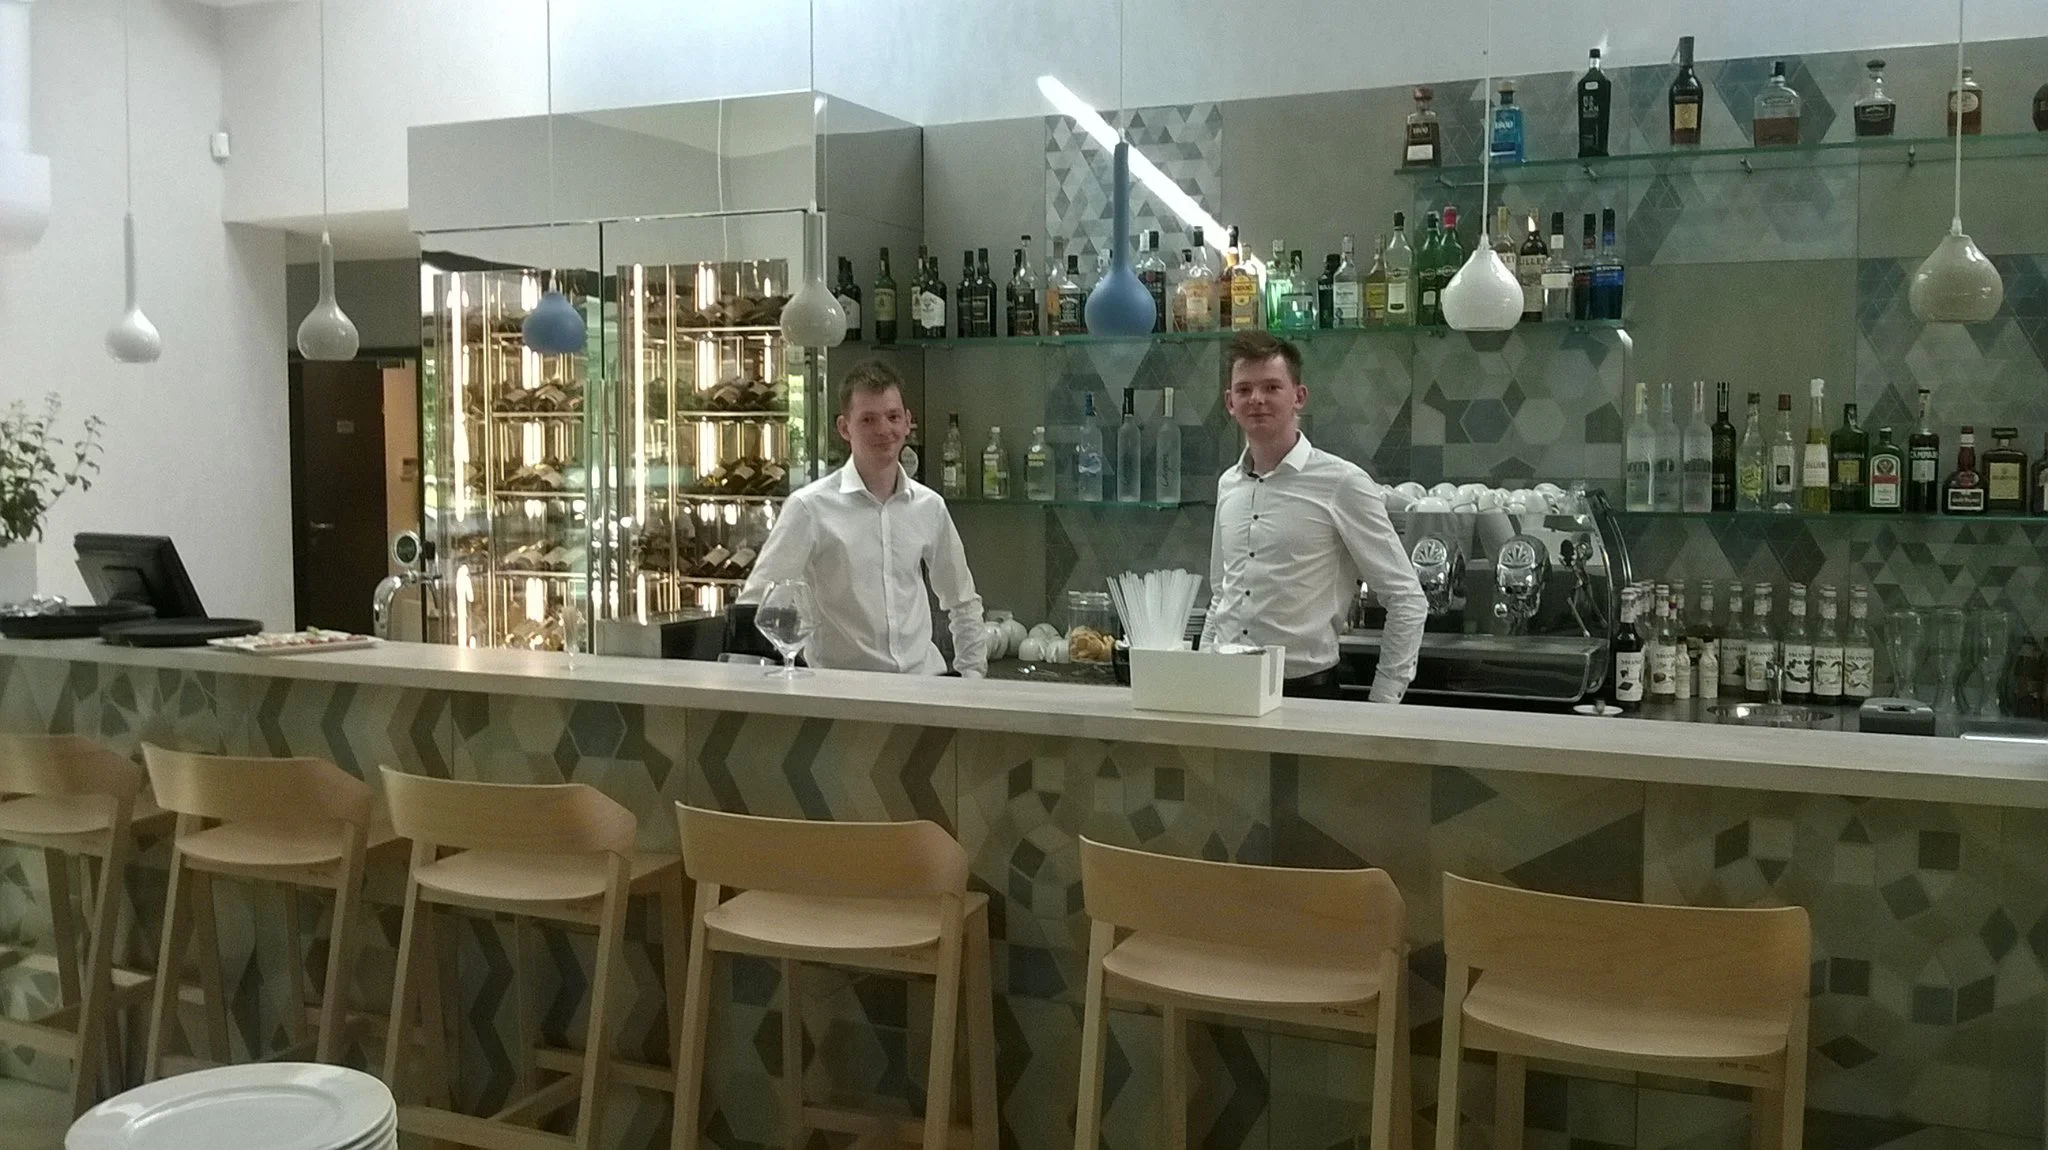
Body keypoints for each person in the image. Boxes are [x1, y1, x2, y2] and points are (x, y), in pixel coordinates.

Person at [1199, 331, 1427, 701]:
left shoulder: (1342, 484)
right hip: (1224, 687)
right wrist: (1201, 666)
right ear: (1229, 402)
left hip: (1306, 692)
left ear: (1298, 397)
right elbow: (1221, 592)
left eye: (1272, 387)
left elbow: (1406, 599)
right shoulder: (1229, 485)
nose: (1256, 399)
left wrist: (1384, 700)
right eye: (1244, 390)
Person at [738, 360, 988, 676]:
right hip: (844, 692)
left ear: (908, 422)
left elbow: (962, 601)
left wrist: (972, 676)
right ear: (845, 427)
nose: (884, 430)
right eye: (868, 419)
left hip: (925, 685)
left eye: (893, 417)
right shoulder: (809, 507)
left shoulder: (929, 506)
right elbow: (757, 604)